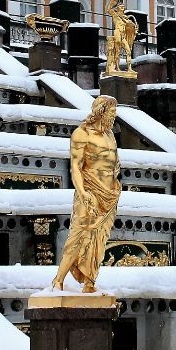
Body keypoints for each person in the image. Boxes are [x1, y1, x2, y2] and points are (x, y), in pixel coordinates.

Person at [51, 95, 120, 293]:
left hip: (109, 195)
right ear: (101, 112)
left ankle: (90, 282)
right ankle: (58, 280)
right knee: (78, 236)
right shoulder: (81, 134)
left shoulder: (110, 135)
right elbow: (75, 167)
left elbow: (114, 164)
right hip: (89, 192)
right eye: (112, 112)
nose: (114, 117)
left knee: (99, 240)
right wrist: (82, 193)